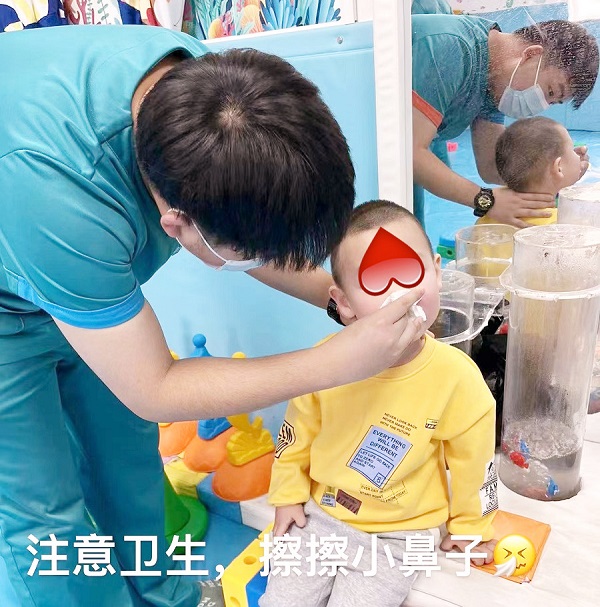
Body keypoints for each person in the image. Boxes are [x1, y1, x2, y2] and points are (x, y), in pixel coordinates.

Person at [0, 26, 426, 607]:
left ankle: (164, 594)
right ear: (175, 224)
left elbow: (251, 244)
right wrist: (336, 362)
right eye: (250, 253)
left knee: (127, 458)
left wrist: (339, 301)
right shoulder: (61, 193)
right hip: (14, 282)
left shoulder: (220, 97)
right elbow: (154, 389)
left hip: (69, 257)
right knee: (43, 514)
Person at [260, 200, 498, 607]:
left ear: (437, 273)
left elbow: (475, 464)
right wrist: (287, 495)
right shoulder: (325, 364)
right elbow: (295, 436)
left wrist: (471, 527)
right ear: (344, 302)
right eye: (376, 281)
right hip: (322, 513)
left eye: (410, 272)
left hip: (401, 533)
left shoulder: (457, 379)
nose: (398, 295)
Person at [412, 16, 598, 228]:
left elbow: (492, 167)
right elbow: (411, 152)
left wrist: (557, 172)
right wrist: (486, 200)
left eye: (553, 102)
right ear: (531, 54)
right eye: (550, 92)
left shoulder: (493, 82)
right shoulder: (450, 47)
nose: (542, 105)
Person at [477, 116, 583, 227]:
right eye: (572, 150)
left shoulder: (489, 214)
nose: (579, 154)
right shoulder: (565, 223)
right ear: (559, 168)